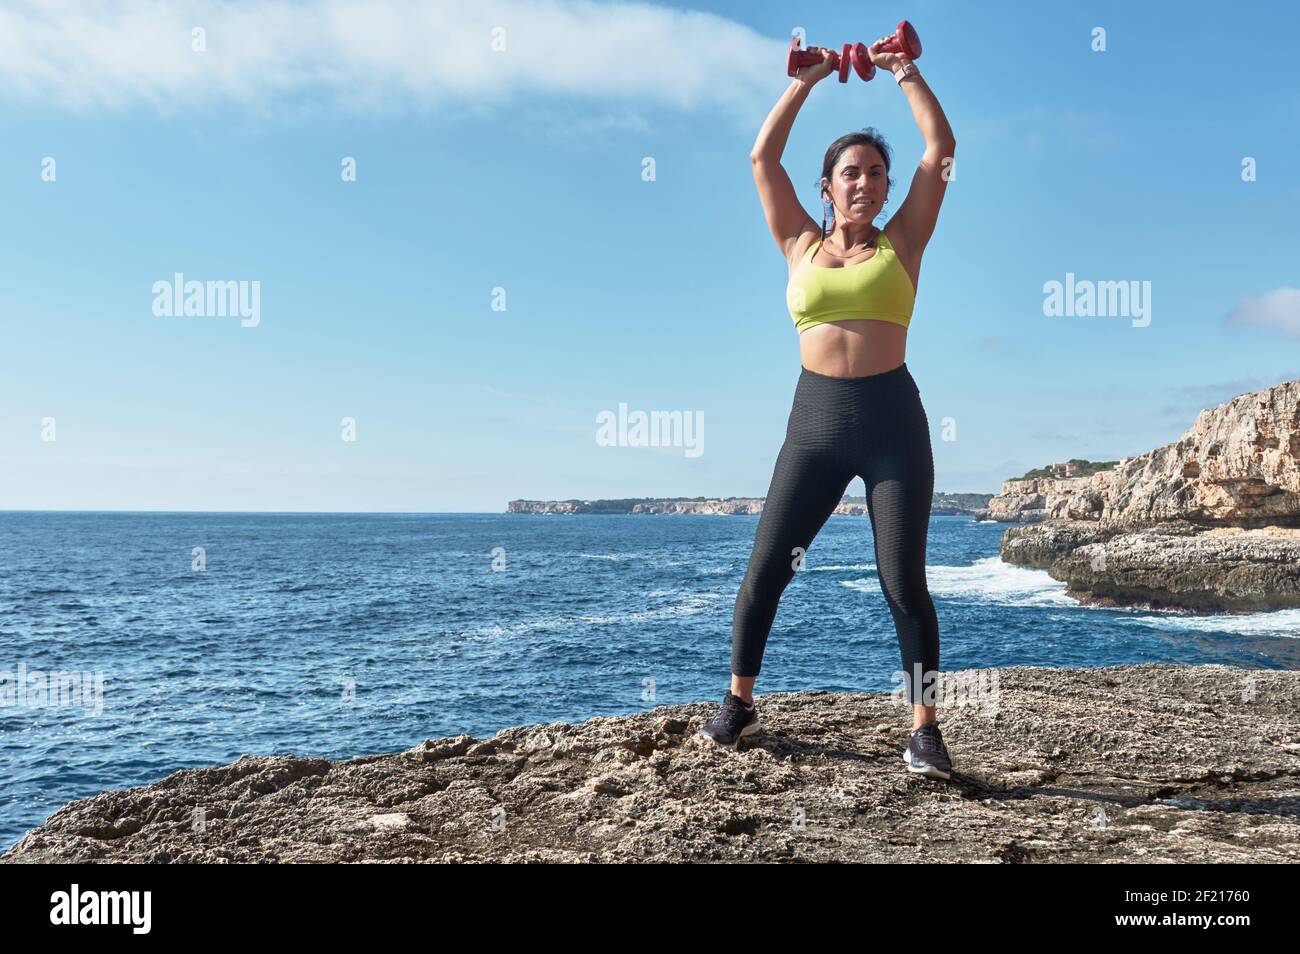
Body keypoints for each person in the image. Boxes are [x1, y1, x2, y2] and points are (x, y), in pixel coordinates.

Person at [699, 34, 956, 780]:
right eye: (853, 173)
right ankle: (740, 702)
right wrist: (807, 81)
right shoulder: (798, 244)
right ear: (827, 185)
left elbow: (939, 147)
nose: (868, 183)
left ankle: (925, 730)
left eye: (877, 173)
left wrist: (905, 71)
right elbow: (760, 159)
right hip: (813, 425)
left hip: (892, 426)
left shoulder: (904, 241)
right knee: (766, 573)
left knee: (903, 583)